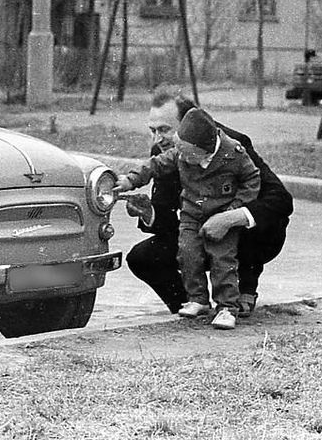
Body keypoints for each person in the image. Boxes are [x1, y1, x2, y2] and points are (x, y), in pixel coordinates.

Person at [122, 89, 293, 320]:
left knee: (262, 218)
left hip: (239, 234)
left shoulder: (233, 146)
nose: (157, 139)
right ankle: (193, 305)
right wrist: (149, 213)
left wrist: (229, 218)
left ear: (189, 123)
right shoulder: (166, 152)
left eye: (164, 130)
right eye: (152, 131)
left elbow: (280, 199)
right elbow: (170, 223)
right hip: (197, 226)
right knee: (142, 257)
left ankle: (245, 290)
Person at [116, 107, 260, 329]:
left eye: (186, 153)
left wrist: (234, 209)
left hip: (221, 216)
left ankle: (226, 307)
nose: (180, 157)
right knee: (188, 254)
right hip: (191, 215)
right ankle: (198, 299)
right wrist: (131, 180)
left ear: (205, 150)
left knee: (223, 260)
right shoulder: (181, 152)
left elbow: (252, 180)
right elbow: (155, 164)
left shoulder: (234, 153)